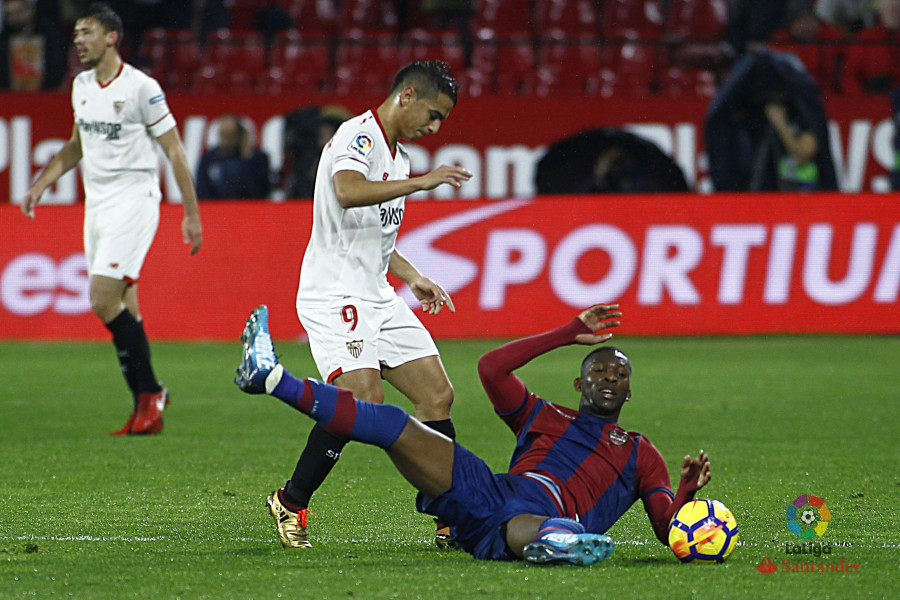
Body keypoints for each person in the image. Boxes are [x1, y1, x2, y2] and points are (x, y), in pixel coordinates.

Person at [234, 303, 712, 565]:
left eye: (620, 375)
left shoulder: (640, 452)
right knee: (394, 423)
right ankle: (272, 378)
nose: (609, 378)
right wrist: (567, 332)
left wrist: (685, 493)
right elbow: (491, 368)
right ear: (579, 383)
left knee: (528, 525)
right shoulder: (542, 415)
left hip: (544, 513)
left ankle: (558, 541)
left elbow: (669, 530)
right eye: (600, 371)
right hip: (489, 489)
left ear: (629, 392)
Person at [272, 60, 472, 549]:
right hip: (334, 292)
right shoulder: (357, 136)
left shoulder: (398, 158)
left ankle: (449, 516)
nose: (435, 127)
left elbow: (376, 236)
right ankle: (291, 501)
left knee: (437, 396)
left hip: (377, 294)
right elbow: (347, 192)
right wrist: (423, 182)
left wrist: (413, 276)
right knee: (364, 401)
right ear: (408, 95)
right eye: (434, 114)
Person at [20, 2, 202, 435]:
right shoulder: (81, 85)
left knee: (102, 299)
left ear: (111, 37)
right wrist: (40, 183)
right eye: (76, 34)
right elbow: (76, 145)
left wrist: (191, 214)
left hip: (134, 198)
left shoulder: (141, 87)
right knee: (125, 308)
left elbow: (175, 150)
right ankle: (147, 404)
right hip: (97, 204)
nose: (78, 40)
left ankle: (151, 394)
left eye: (86, 32)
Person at [196, 114, 271, 199]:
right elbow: (202, 189)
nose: (225, 140)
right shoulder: (209, 159)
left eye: (229, 135)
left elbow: (261, 190)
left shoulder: (256, 158)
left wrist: (246, 159)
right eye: (223, 134)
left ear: (239, 136)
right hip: (216, 205)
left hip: (247, 205)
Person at [0, 0, 66, 90]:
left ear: (31, 10)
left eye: (19, 12)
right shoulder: (3, 40)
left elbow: (58, 66)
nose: (15, 17)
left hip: (47, 93)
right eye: (9, 14)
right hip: (11, 94)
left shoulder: (50, 36)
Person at [841, 0, 900, 95]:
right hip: (871, 97)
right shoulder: (866, 38)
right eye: (890, 9)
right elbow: (849, 77)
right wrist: (862, 100)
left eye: (898, 9)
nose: (894, 13)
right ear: (881, 11)